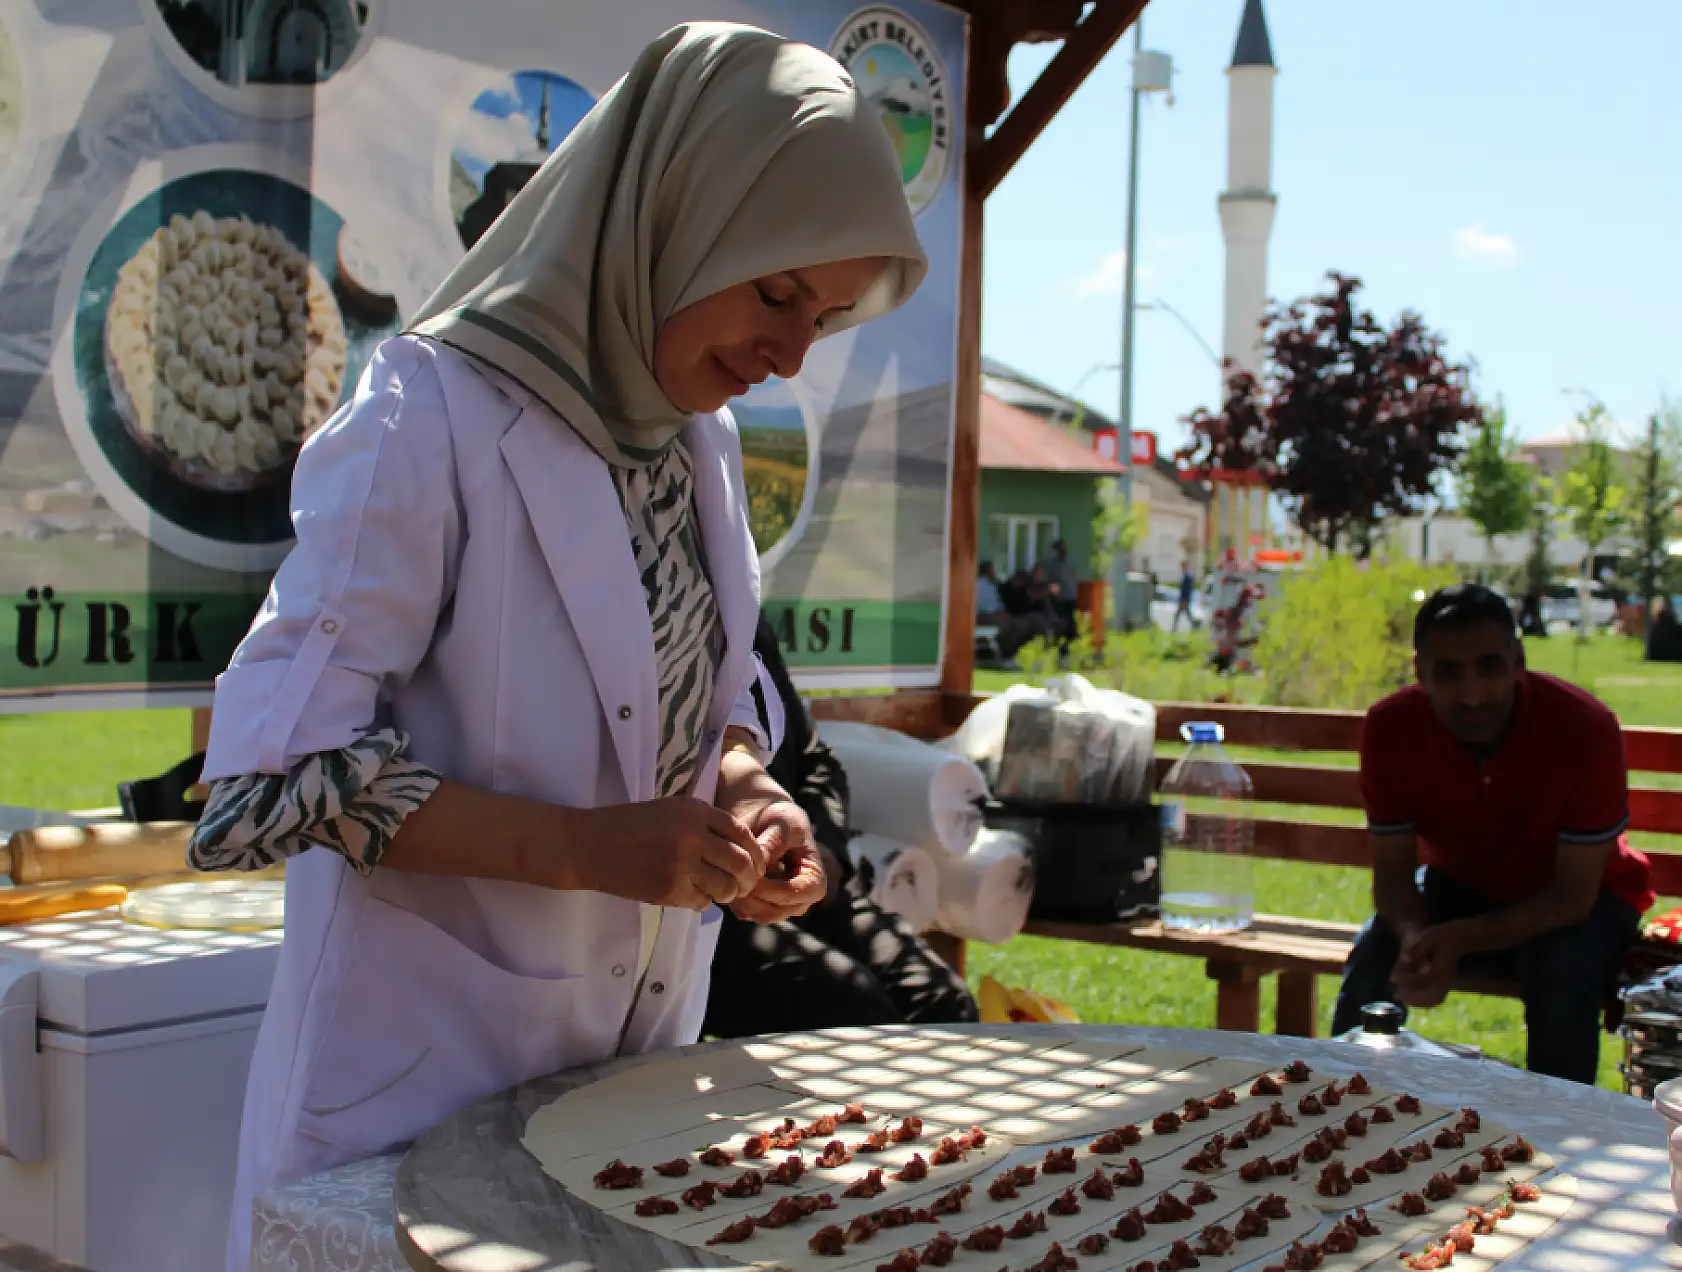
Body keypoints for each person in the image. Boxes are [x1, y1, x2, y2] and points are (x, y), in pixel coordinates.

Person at [184, 24, 927, 1271]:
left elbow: (686, 679)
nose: (791, 352)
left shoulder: (697, 438)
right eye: (775, 292)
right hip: (407, 1097)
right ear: (673, 216)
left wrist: (740, 782)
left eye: (829, 316)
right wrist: (586, 852)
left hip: (622, 1093)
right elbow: (261, 788)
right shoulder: (427, 417)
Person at [1330, 584, 1653, 1084]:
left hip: (1586, 897)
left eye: (1489, 667)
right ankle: (1338, 1100)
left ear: (1519, 660)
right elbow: (1392, 881)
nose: (1473, 694)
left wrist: (1456, 938)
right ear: (1420, 673)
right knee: (1378, 951)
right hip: (1462, 886)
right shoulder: (1391, 727)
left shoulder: (1583, 727)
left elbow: (1572, 899)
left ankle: (1561, 1129)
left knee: (1560, 967)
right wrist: (1420, 943)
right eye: (1449, 673)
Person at [704, 617, 979, 1035]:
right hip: (723, 914)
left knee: (943, 1002)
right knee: (857, 1010)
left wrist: (826, 850)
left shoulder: (748, 625)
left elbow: (818, 761)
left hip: (822, 890)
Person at [1041, 538, 1079, 633]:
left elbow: (1074, 575)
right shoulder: (1050, 563)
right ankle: (1063, 634)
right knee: (1061, 618)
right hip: (1059, 596)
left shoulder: (1070, 560)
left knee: (1070, 617)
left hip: (1070, 594)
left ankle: (1071, 635)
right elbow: (1045, 575)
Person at [1172, 558, 1198, 632]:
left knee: (1181, 613)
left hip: (1184, 598)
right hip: (1184, 597)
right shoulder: (1186, 575)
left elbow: (1187, 589)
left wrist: (1184, 598)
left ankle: (1175, 627)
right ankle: (1194, 625)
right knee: (1186, 613)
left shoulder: (1188, 576)